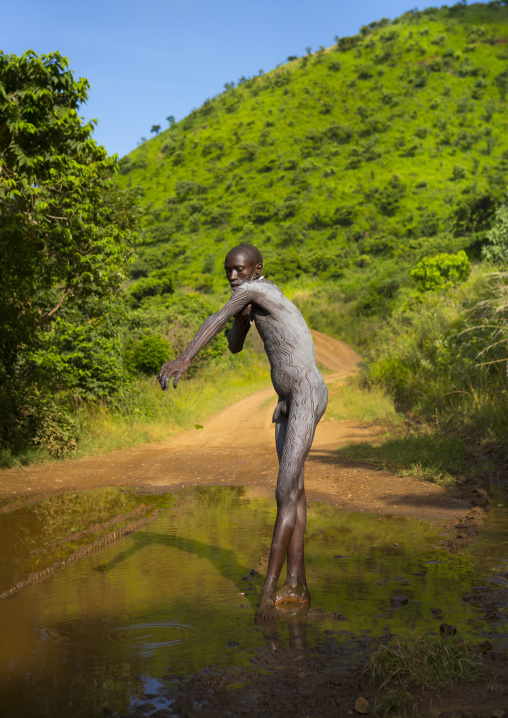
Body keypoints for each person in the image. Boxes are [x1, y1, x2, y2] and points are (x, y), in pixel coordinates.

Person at [158, 244, 328, 620]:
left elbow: (216, 318)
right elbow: (234, 344)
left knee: (284, 492)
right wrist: (243, 318)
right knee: (295, 492)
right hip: (289, 399)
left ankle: (267, 596)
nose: (232, 277)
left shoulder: (257, 290)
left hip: (304, 394)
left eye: (238, 270)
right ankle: (296, 584)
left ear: (256, 269)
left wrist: (185, 357)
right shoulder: (253, 297)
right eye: (228, 271)